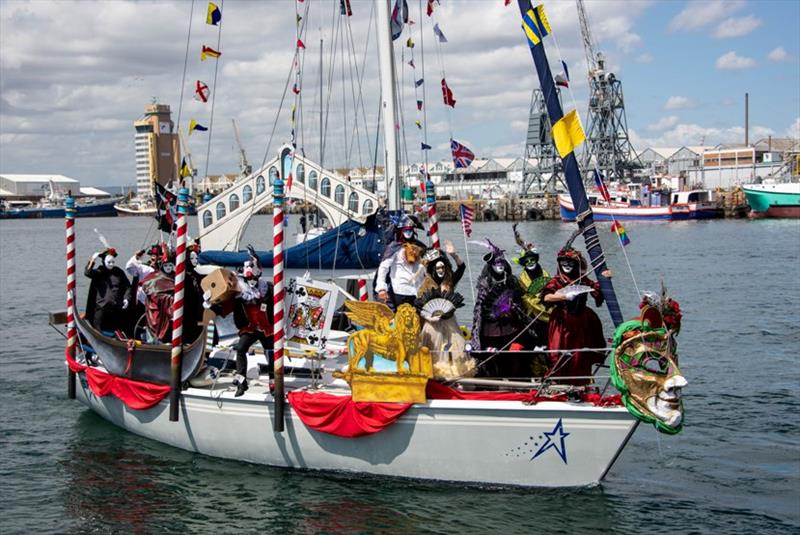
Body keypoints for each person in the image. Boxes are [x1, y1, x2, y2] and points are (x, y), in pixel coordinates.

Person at [540, 230, 612, 384]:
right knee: (560, 355)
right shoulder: (556, 281)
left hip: (582, 322)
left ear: (576, 264)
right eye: (563, 263)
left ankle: (581, 383)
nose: (566, 265)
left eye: (570, 263)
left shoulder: (582, 279)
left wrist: (605, 278)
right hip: (563, 323)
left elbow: (596, 290)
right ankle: (559, 383)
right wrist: (564, 296)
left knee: (581, 356)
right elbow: (546, 296)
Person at [470, 239, 536, 378]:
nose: (500, 265)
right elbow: (480, 309)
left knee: (512, 358)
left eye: (501, 262)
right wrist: (494, 314)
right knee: (493, 359)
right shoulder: (485, 284)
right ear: (491, 265)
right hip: (491, 329)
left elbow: (519, 300)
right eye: (496, 263)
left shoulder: (511, 280)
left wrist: (512, 307)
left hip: (510, 326)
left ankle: (516, 381)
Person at [415, 243, 475, 379]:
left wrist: (453, 254)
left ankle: (458, 376)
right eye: (438, 268)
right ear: (433, 269)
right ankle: (436, 378)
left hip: (450, 322)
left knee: (458, 347)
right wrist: (429, 318)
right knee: (435, 351)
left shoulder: (449, 281)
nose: (441, 270)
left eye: (443, 267)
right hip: (433, 324)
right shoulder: (426, 285)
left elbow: (462, 267)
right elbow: (419, 306)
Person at [231, 247, 274, 397]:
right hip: (250, 327)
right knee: (240, 348)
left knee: (271, 353)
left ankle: (273, 384)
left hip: (266, 327)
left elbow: (279, 303)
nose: (252, 282)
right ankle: (242, 383)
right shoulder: (241, 292)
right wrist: (210, 303)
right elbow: (226, 304)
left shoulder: (268, 288)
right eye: (248, 279)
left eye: (254, 279)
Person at [513, 224, 552, 376]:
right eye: (527, 261)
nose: (530, 263)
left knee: (549, 345)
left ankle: (552, 373)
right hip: (530, 317)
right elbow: (522, 296)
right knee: (534, 348)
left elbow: (550, 288)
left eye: (532, 260)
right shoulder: (521, 279)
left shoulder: (544, 273)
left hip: (548, 316)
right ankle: (536, 375)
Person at [375, 216, 426, 309]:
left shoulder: (420, 247)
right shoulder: (394, 248)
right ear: (401, 231)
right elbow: (383, 268)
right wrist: (381, 288)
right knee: (402, 318)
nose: (408, 233)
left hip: (418, 291)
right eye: (406, 230)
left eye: (410, 230)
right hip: (401, 291)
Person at [84, 247, 132, 335]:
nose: (111, 264)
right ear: (103, 262)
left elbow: (127, 287)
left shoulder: (119, 272)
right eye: (109, 262)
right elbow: (88, 273)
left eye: (113, 262)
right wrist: (92, 260)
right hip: (102, 306)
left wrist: (126, 299)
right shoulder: (99, 272)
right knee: (98, 330)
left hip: (117, 306)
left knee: (122, 329)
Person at [139, 245, 176, 343]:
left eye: (170, 266)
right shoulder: (155, 277)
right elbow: (147, 288)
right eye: (166, 266)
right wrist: (168, 299)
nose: (168, 268)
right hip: (157, 309)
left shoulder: (177, 277)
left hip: (173, 310)